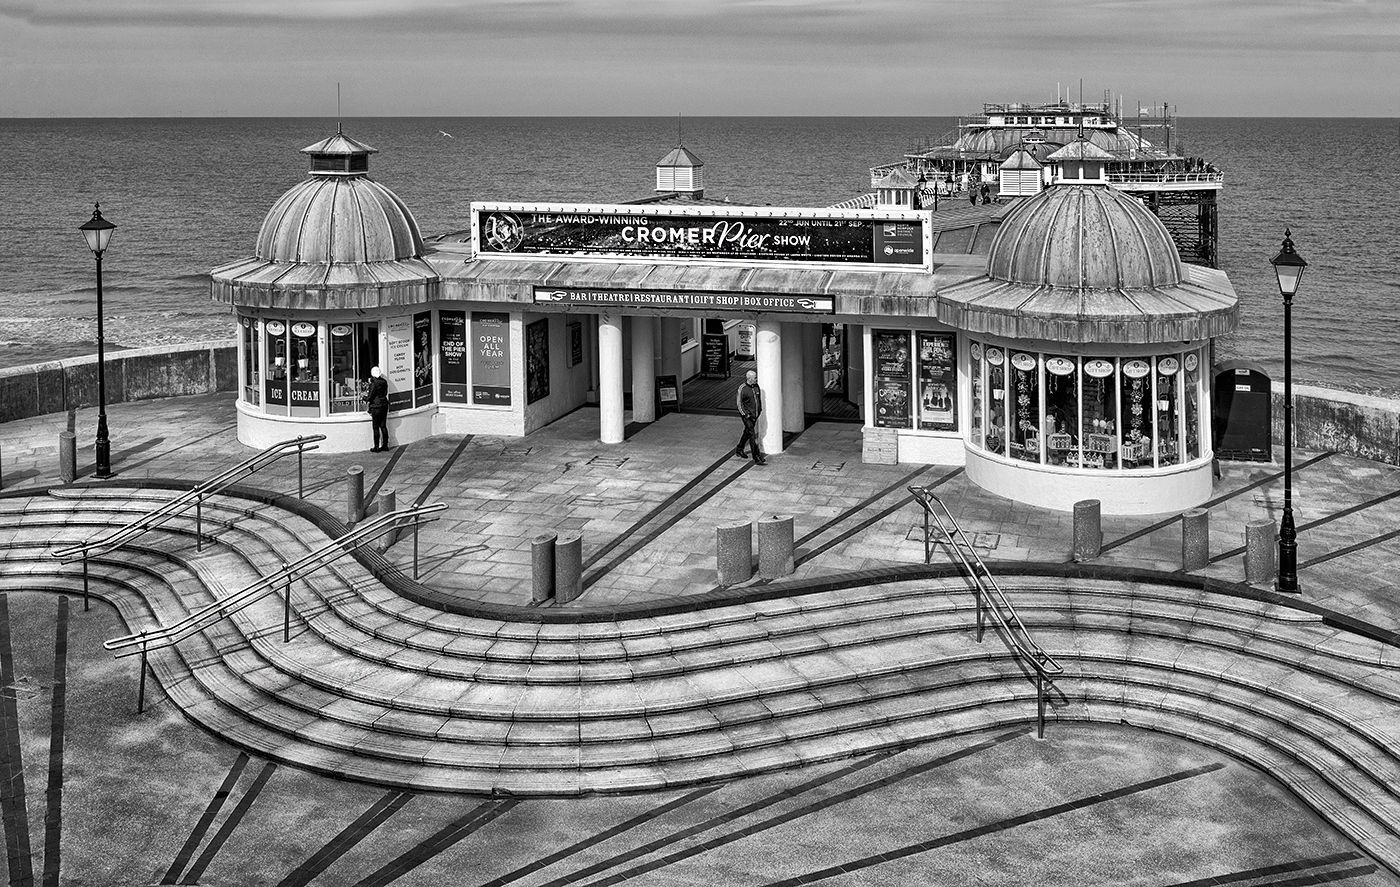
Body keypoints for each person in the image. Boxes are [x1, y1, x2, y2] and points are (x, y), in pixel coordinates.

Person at [735, 369, 766, 465]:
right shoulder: (742, 389)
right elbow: (739, 404)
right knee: (752, 435)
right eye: (755, 377)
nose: (757, 379)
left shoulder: (756, 386)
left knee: (747, 432)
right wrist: (746, 415)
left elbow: (758, 400)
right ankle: (756, 457)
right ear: (749, 378)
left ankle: (739, 448)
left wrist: (759, 410)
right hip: (747, 417)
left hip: (755, 415)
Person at [367, 366, 390, 452]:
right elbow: (385, 392)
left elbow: (370, 397)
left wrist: (365, 398)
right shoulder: (384, 382)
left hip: (376, 406)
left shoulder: (373, 384)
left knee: (376, 427)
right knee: (383, 426)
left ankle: (376, 447)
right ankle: (385, 445)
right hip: (384, 404)